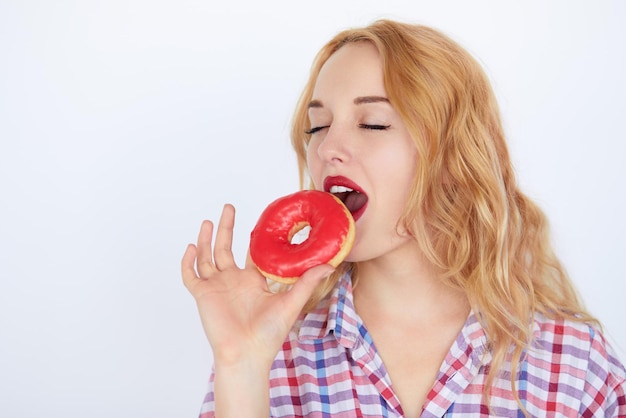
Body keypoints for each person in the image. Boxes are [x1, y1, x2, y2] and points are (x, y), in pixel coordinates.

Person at [181, 19, 626, 417]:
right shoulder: (272, 352)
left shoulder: (572, 362)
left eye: (372, 123)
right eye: (317, 126)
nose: (326, 147)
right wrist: (240, 366)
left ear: (454, 157)